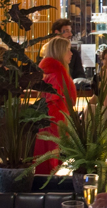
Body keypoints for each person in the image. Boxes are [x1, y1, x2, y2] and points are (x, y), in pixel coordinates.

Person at [32, 36, 78, 174]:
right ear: (60, 52)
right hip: (56, 123)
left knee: (47, 160)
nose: (71, 54)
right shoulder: (57, 73)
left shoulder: (49, 71)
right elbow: (56, 102)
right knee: (53, 163)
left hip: (49, 122)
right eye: (68, 50)